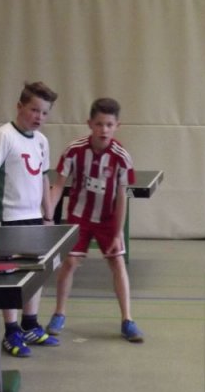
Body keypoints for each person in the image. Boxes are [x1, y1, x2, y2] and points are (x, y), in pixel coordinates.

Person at [45, 97, 144, 343]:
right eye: (99, 124)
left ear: (117, 125)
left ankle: (127, 320)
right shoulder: (74, 150)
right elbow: (58, 186)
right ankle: (59, 314)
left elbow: (122, 197)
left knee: (117, 263)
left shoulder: (122, 157)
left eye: (109, 125)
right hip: (79, 217)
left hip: (108, 220)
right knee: (69, 262)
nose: (104, 130)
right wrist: (47, 216)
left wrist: (117, 232)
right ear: (89, 123)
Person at [0, 81, 59, 357]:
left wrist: (48, 214)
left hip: (34, 218)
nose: (39, 117)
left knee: (35, 274)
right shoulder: (3, 136)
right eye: (34, 110)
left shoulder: (42, 141)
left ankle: (30, 325)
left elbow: (44, 178)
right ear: (19, 107)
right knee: (9, 277)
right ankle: (11, 331)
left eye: (44, 112)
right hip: (8, 219)